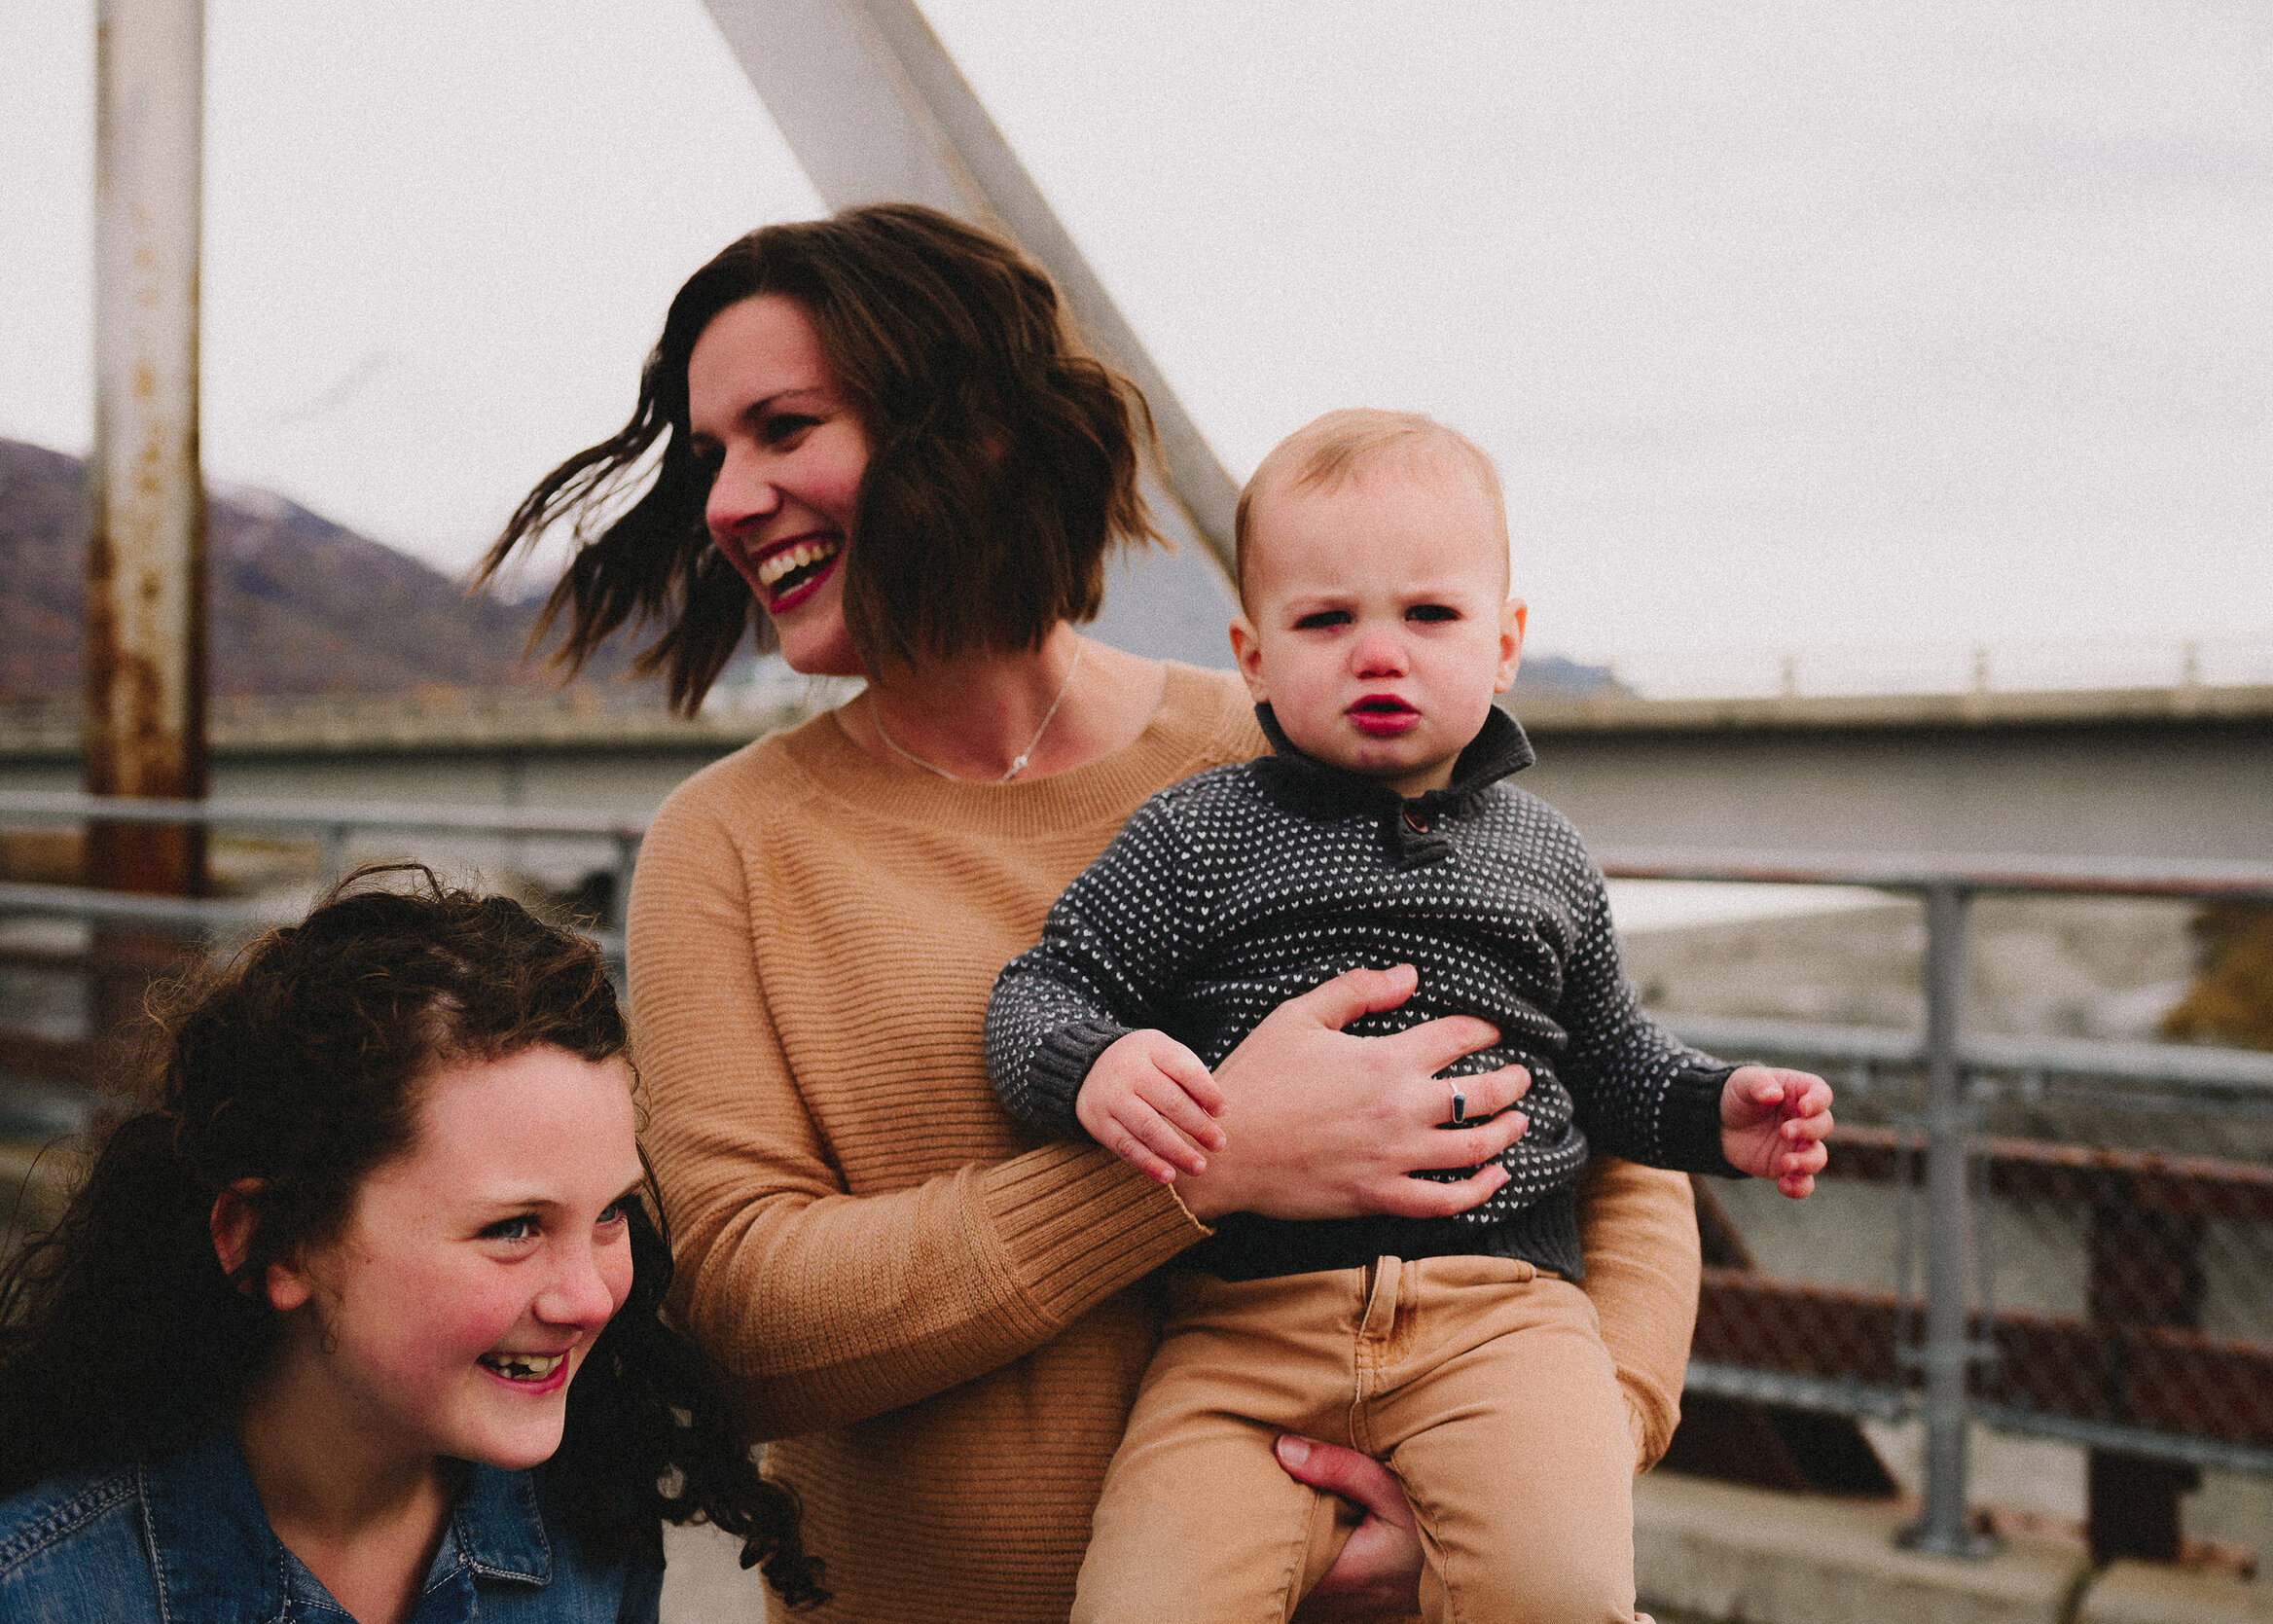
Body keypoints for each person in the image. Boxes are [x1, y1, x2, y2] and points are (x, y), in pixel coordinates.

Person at [478, 202, 1714, 1623]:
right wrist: (1204, 1162)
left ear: (975, 431)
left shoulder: (1294, 747)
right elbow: (742, 1321)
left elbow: (1613, 1151)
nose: (726, 501)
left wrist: (1561, 1460)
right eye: (710, 458)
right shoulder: (729, 845)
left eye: (782, 429)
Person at [985, 409, 1835, 1622]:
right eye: (1325, 620)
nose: (1376, 654)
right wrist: (1095, 1060)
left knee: (1557, 1589)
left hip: (1502, 1325)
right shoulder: (1192, 838)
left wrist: (1717, 1109)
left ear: (1503, 645)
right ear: (1254, 655)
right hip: (1240, 1342)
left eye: (1428, 616)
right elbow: (1036, 992)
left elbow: (1610, 1063)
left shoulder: (1546, 857)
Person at [0, 867, 821, 1624]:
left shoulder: (593, 1529)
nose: (591, 1296)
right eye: (513, 1228)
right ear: (275, 1243)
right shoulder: (43, 1587)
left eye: (611, 1213)